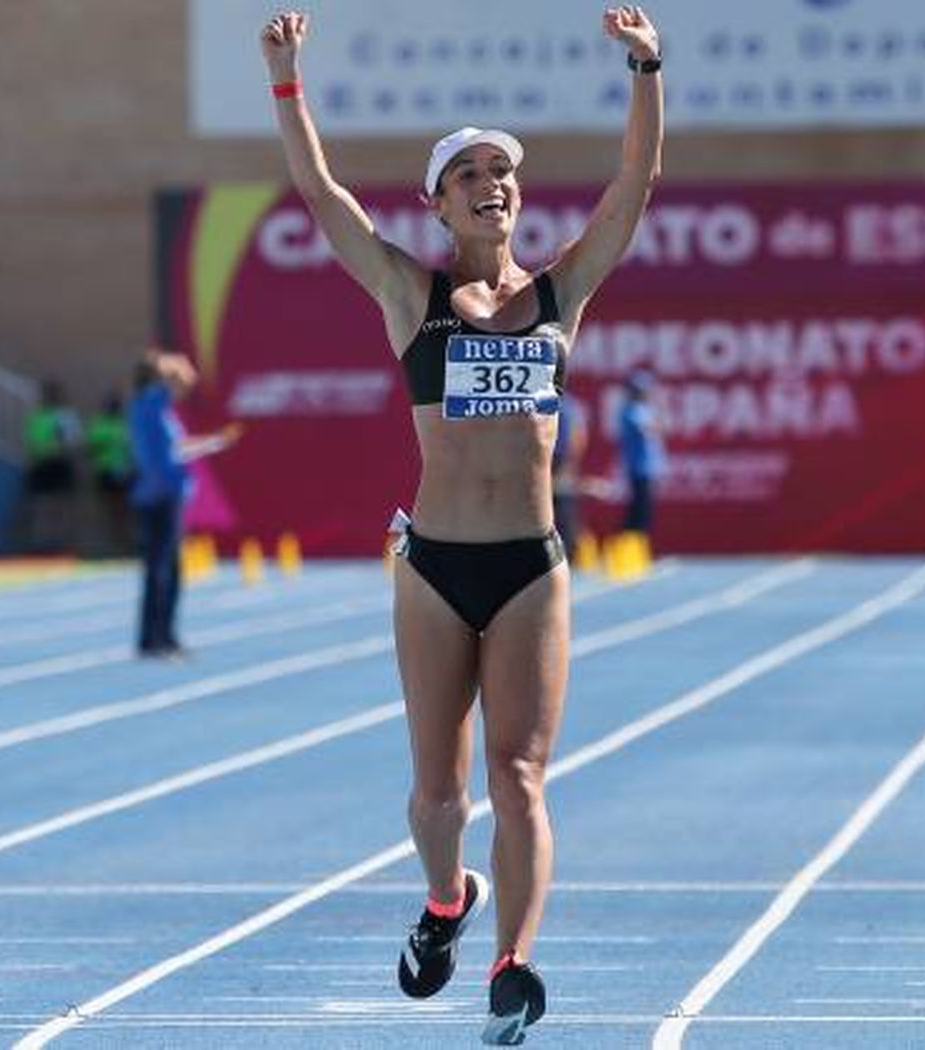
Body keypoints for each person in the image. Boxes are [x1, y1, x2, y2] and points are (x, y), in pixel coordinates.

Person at [261, 7, 662, 1043]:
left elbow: (634, 190)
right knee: (438, 798)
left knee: (519, 775)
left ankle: (514, 966)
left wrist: (644, 67)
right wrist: (286, 81)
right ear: (439, 205)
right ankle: (447, 903)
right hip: (434, 568)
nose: (493, 181)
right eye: (469, 172)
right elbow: (320, 194)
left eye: (504, 169)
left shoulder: (560, 295)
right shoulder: (411, 293)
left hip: (531, 568)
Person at [127, 350, 242, 659]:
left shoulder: (154, 408)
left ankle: (159, 636)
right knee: (162, 569)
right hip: (161, 495)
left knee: (164, 568)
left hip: (163, 493)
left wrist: (215, 441)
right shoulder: (153, 405)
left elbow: (176, 449)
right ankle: (157, 638)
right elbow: (167, 454)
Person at [23, 378, 82, 554]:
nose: (49, 397)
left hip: (60, 462)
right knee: (42, 505)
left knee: (61, 504)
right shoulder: (36, 416)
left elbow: (73, 440)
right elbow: (31, 440)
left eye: (53, 393)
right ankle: (42, 543)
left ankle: (61, 543)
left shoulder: (65, 416)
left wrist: (62, 448)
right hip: (41, 463)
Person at [618, 369, 666, 539]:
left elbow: (660, 429)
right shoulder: (631, 410)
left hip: (649, 467)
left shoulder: (646, 409)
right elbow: (648, 430)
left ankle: (637, 545)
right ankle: (630, 544)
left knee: (644, 509)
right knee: (639, 509)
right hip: (638, 468)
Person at [86, 391, 134, 555]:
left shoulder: (125, 424)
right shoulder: (100, 424)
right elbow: (92, 448)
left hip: (123, 471)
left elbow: (132, 447)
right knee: (109, 508)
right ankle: (111, 544)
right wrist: (106, 445)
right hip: (106, 470)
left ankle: (124, 543)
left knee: (123, 509)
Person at [550, 389, 588, 557]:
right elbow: (579, 435)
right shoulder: (566, 404)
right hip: (550, 458)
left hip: (558, 459)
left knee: (563, 502)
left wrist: (570, 461)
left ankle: (569, 550)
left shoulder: (568, 405)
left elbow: (578, 435)